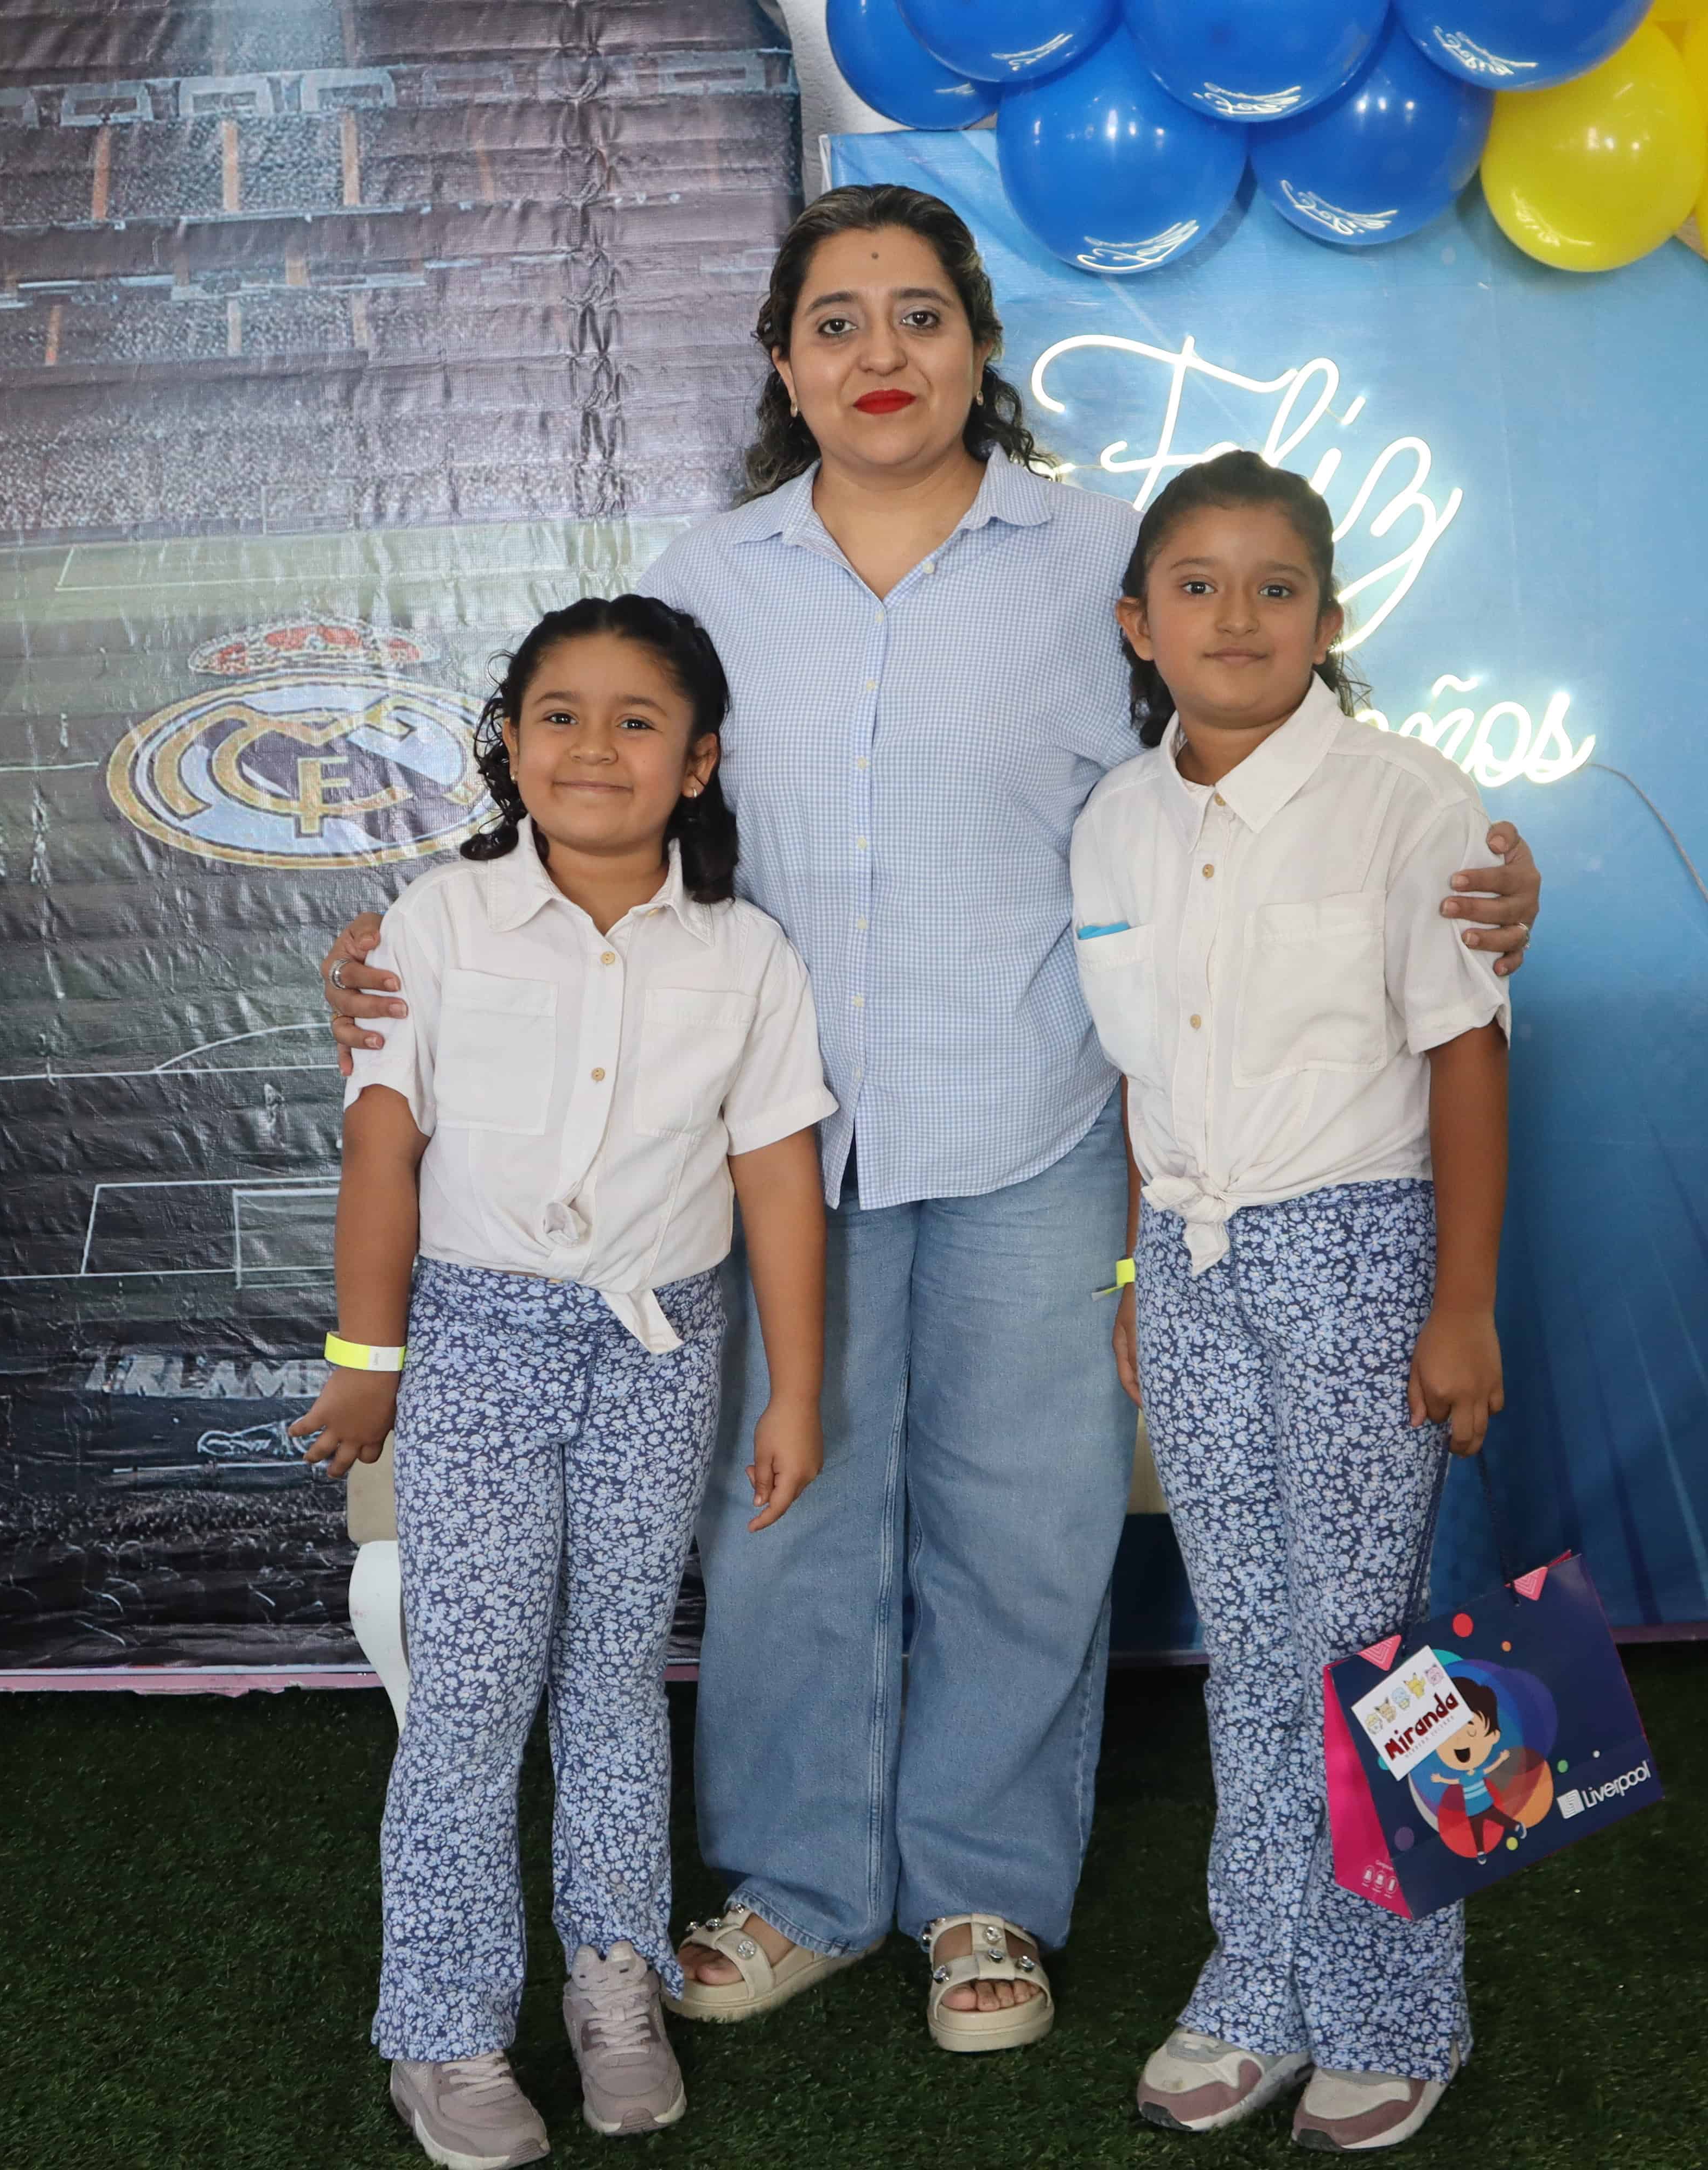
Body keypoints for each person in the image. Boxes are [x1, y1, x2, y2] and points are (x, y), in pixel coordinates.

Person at [322, 183, 1544, 2056]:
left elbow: (1253, 786)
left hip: (1039, 1127)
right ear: (784, 364)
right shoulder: (712, 579)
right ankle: (803, 1887)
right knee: (785, 1526)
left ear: (979, 345)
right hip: (761, 1153)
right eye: (836, 321)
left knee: (1030, 1533)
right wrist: (402, 945)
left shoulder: (1101, 559)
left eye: (918, 315)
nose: (878, 353)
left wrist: (1471, 882)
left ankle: (989, 1895)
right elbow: (599, 808)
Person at [294, 594, 836, 2168]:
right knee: (471, 1694)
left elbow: (778, 1178)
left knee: (613, 1680)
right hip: (474, 1344)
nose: (595, 746)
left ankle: (616, 1978)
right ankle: (446, 2033)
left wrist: (796, 1393)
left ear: (699, 762)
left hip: (660, 1352)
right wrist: (366, 1360)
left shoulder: (745, 953)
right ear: (511, 746)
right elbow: (383, 1149)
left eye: (637, 720)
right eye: (559, 715)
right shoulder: (437, 923)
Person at [1073, 450, 1510, 2151]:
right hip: (1191, 1267)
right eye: (1196, 586)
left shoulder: (1411, 802)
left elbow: (1465, 1054)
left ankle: (1397, 2009)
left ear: (1331, 620)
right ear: (1140, 623)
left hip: (1359, 1254)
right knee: (1247, 1645)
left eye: (1276, 588)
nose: (1236, 618)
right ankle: (1257, 1982)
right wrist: (1137, 1269)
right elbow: (1144, 1074)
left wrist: (1460, 1303)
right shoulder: (1118, 820)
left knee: (1365, 1643)